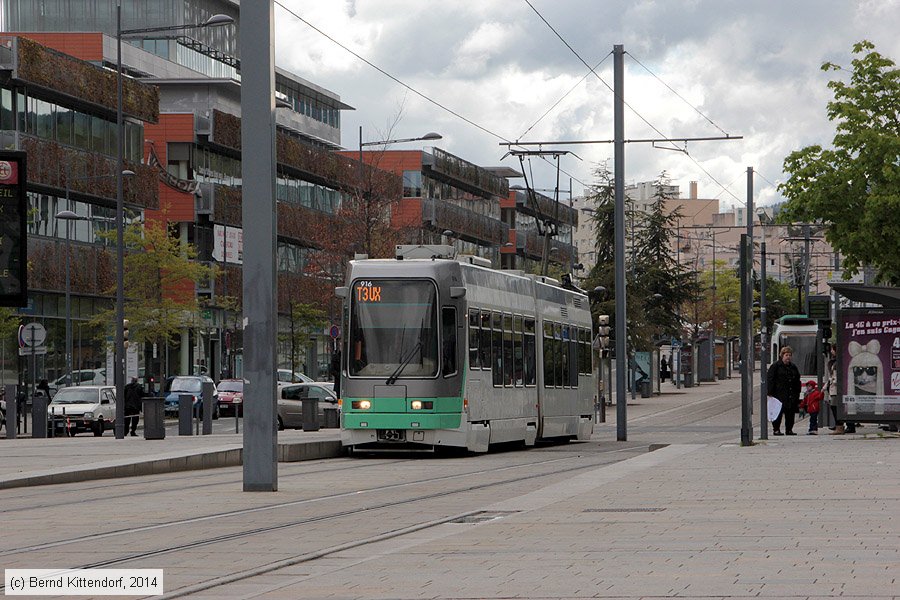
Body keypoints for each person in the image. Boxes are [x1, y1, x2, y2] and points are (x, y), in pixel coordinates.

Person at [767, 346, 801, 436]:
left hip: (791, 394)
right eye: (786, 355)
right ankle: (776, 429)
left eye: (790, 355)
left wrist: (797, 392)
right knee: (778, 413)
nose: (788, 357)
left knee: (790, 413)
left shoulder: (793, 367)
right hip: (778, 394)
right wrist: (770, 392)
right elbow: (770, 379)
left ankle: (789, 429)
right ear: (782, 356)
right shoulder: (775, 366)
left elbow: (797, 380)